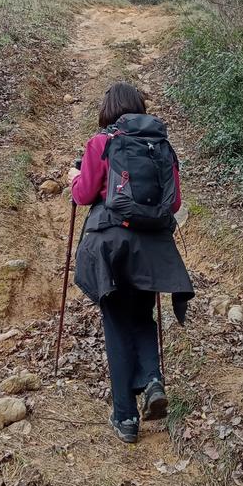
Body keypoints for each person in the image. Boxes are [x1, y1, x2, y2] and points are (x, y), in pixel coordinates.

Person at [68, 81, 194, 444]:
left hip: (110, 246)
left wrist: (76, 177)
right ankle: (152, 379)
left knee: (116, 326)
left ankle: (126, 417)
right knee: (141, 316)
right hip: (152, 248)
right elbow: (172, 203)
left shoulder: (101, 142)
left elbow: (85, 194)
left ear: (107, 109)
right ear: (140, 107)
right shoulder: (160, 145)